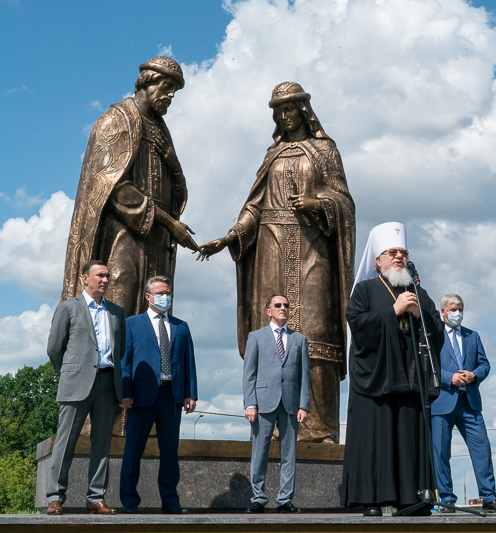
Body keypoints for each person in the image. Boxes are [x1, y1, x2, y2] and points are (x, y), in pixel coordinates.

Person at [198, 81, 355, 444]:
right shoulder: (273, 154)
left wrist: (319, 204)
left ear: (303, 110)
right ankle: (274, 426)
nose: (284, 116)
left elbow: (345, 201)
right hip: (270, 246)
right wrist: (232, 234)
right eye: (278, 111)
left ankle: (318, 428)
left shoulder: (325, 150)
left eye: (290, 109)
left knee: (314, 334)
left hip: (313, 247)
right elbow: (254, 205)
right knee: (272, 338)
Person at [61, 56, 198, 319]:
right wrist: (169, 223)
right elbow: (113, 187)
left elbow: (175, 193)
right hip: (123, 233)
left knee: (156, 311)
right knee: (120, 301)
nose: (170, 96)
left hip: (157, 238)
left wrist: (175, 165)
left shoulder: (161, 129)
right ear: (148, 82)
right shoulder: (116, 120)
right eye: (167, 87)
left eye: (174, 91)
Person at [340, 222, 443, 517]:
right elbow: (357, 325)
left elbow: (438, 332)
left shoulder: (419, 294)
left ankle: (411, 498)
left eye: (402, 252)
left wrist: (418, 315)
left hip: (410, 382)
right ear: (378, 260)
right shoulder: (365, 290)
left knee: (409, 444)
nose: (399, 256)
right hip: (376, 380)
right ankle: (372, 499)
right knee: (376, 443)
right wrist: (393, 312)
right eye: (392, 252)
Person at [45, 260, 125, 515]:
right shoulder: (68, 308)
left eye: (107, 276)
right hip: (76, 383)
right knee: (65, 443)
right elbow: (54, 348)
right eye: (99, 275)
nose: (105, 280)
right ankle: (55, 497)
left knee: (102, 444)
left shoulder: (116, 312)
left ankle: (96, 498)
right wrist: (70, 373)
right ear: (84, 278)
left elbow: (120, 351)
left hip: (108, 383)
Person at [119, 275, 198, 514]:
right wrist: (125, 392)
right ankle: (130, 501)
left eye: (168, 292)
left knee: (170, 451)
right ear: (148, 296)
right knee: (133, 449)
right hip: (141, 396)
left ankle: (171, 500)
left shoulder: (181, 326)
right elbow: (126, 359)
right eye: (160, 292)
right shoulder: (132, 323)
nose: (166, 297)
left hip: (171, 396)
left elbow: (189, 362)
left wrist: (190, 393)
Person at [431, 293, 496, 514]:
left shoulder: (472, 336)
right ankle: (446, 499)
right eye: (454, 309)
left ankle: (489, 498)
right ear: (443, 312)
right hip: (442, 401)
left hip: (470, 403)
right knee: (441, 452)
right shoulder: (434, 335)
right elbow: (430, 364)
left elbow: (484, 364)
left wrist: (474, 375)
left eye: (461, 309)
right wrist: (450, 377)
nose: (458, 313)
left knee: (482, 450)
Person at [243, 294, 310, 514]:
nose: (283, 308)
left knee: (289, 453)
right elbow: (249, 374)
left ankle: (284, 500)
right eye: (278, 305)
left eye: (286, 306)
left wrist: (304, 405)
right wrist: (250, 403)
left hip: (290, 403)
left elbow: (304, 375)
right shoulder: (255, 337)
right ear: (268, 310)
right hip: (263, 403)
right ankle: (258, 498)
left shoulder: (299, 339)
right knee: (259, 452)